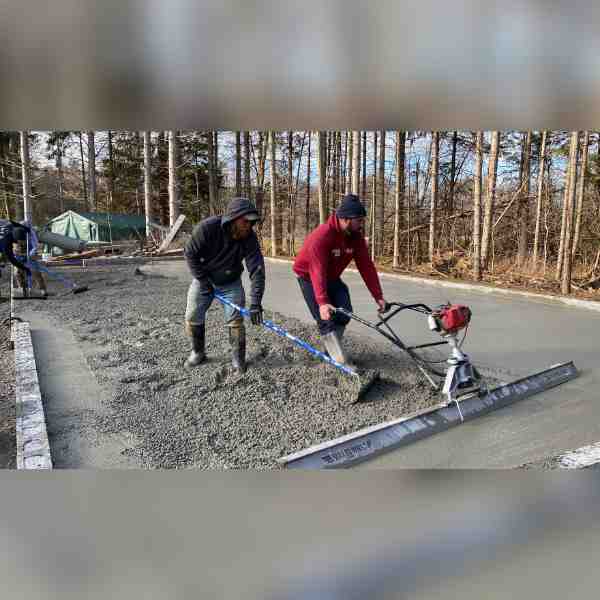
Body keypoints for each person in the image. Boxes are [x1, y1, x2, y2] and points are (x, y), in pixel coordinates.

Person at [293, 193, 389, 368]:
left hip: (331, 277)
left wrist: (378, 296)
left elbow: (366, 266)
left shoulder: (355, 237)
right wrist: (322, 302)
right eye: (359, 220)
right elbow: (317, 270)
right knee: (326, 320)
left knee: (345, 313)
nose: (362, 224)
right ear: (344, 219)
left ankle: (329, 350)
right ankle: (339, 361)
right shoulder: (321, 237)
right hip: (308, 277)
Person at [183, 198, 265, 373]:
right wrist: (204, 282)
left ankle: (238, 359)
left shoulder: (249, 237)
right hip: (204, 279)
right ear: (233, 219)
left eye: (252, 223)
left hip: (231, 282)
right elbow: (190, 254)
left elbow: (257, 269)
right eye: (245, 222)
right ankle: (198, 352)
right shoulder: (207, 228)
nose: (249, 226)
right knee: (192, 315)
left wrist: (256, 302)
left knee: (235, 321)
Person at [0, 219, 33, 295]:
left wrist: (26, 229)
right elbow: (12, 260)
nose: (22, 243)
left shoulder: (10, 225)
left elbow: (12, 222)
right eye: (20, 241)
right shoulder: (6, 244)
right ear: (15, 239)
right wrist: (25, 269)